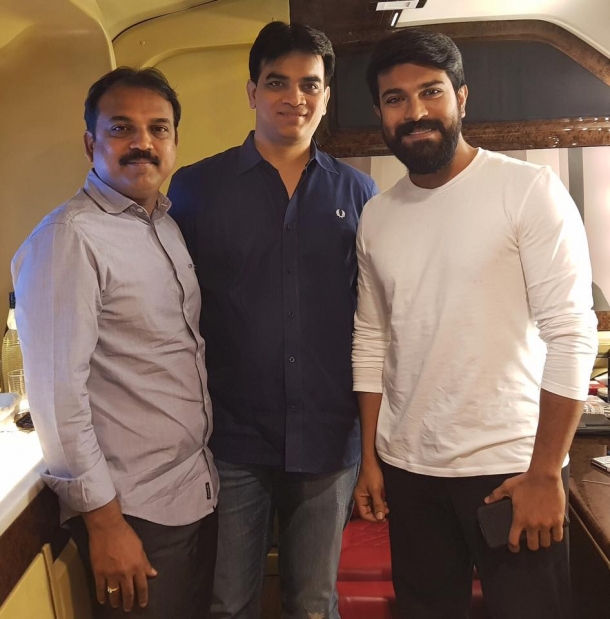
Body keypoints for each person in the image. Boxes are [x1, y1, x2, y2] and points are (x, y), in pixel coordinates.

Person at [352, 27, 597, 619]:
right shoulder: (377, 215)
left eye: (431, 92)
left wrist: (545, 472)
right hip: (409, 468)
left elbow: (571, 331)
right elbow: (372, 339)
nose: (415, 112)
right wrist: (370, 458)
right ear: (381, 113)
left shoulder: (527, 190)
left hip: (510, 468)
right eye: (395, 99)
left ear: (462, 97)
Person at [168, 21, 378, 619]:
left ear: (326, 96)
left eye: (310, 84)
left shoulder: (359, 193)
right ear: (252, 92)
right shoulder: (196, 188)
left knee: (313, 604)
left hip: (328, 437)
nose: (295, 97)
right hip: (231, 437)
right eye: (277, 82)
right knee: (227, 602)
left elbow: (373, 320)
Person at [12, 67, 218, 619]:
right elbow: (57, 399)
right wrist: (104, 523)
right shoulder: (69, 238)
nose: (142, 143)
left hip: (192, 491)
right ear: (91, 144)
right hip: (132, 511)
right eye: (121, 128)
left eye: (158, 128)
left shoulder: (163, 225)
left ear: (174, 141)